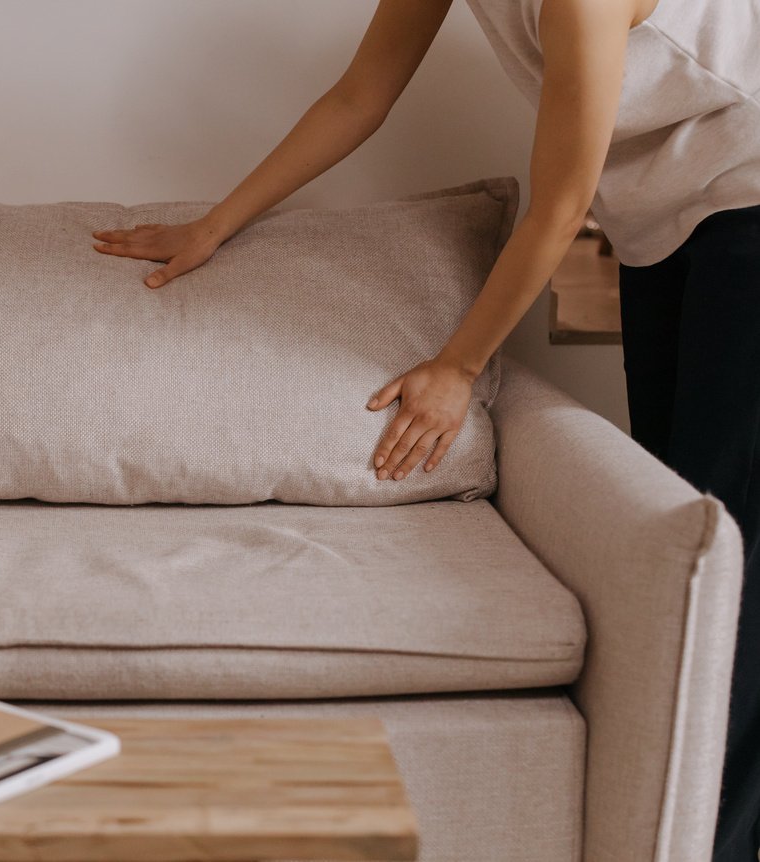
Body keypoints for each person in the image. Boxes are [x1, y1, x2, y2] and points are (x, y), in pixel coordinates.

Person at [90, 0, 760, 858]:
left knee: (729, 544)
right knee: (676, 531)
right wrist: (212, 227)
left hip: (745, 198)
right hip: (663, 223)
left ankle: (713, 842)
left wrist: (458, 365)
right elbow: (358, 97)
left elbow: (558, 210)